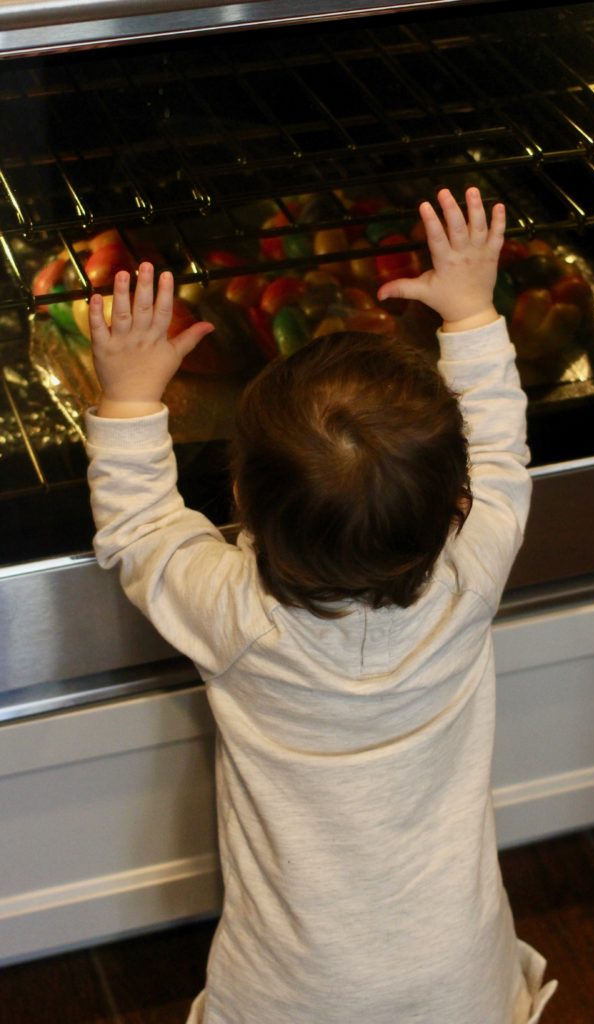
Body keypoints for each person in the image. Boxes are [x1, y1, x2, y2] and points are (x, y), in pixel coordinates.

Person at [86, 187, 557, 1024]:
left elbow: (140, 527)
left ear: (240, 501)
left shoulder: (238, 617)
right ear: (457, 505)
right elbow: (500, 451)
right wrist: (472, 312)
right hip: (457, 977)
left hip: (294, 991)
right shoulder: (472, 574)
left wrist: (129, 395)